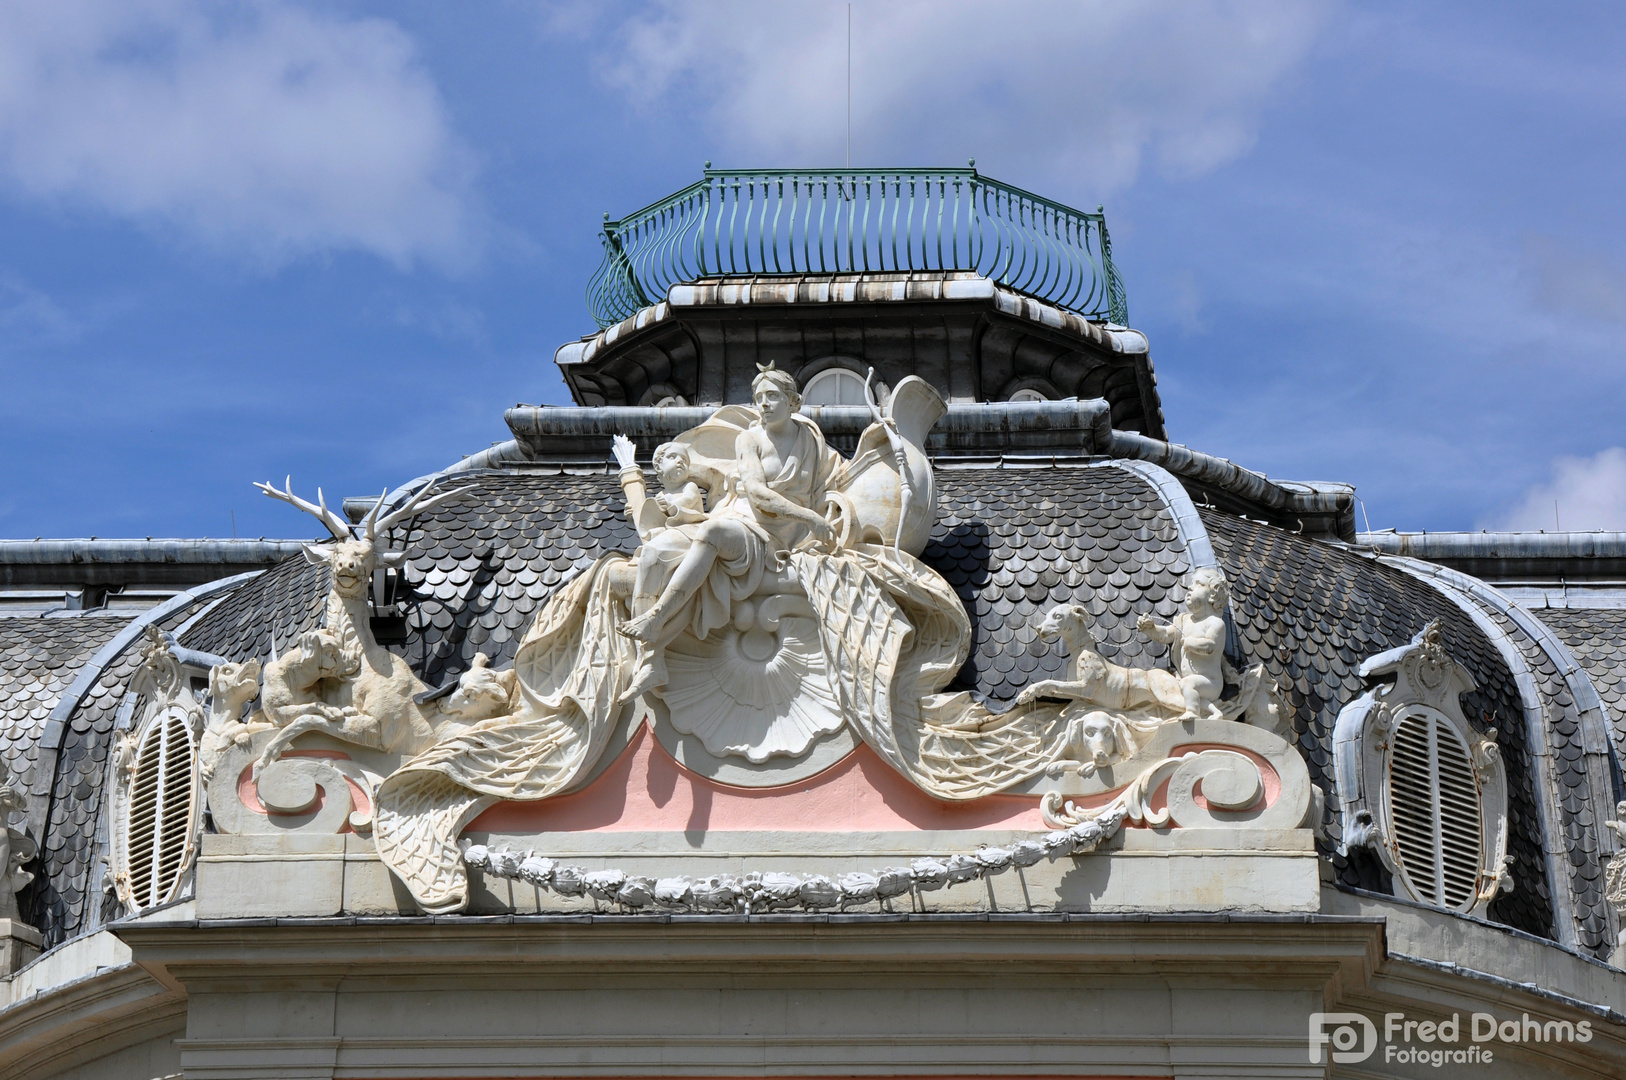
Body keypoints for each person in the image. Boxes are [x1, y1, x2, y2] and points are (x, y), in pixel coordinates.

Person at [615, 363, 839, 700]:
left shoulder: (812, 440)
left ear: (794, 402)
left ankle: (657, 617)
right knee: (654, 553)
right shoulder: (749, 439)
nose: (764, 403)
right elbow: (758, 493)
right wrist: (811, 518)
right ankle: (650, 659)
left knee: (715, 531)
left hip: (769, 537)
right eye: (759, 397)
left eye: (773, 396)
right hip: (738, 518)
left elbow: (833, 484)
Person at [1136, 567, 1229, 720]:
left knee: (1189, 684)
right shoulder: (1184, 620)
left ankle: (1193, 712)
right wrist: (1150, 628)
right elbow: (1166, 634)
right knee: (1183, 685)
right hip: (1189, 683)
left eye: (1198, 584)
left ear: (1213, 594)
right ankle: (1215, 712)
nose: (1190, 587)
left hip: (1210, 682)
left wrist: (1190, 643)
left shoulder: (1215, 623)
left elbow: (1210, 646)